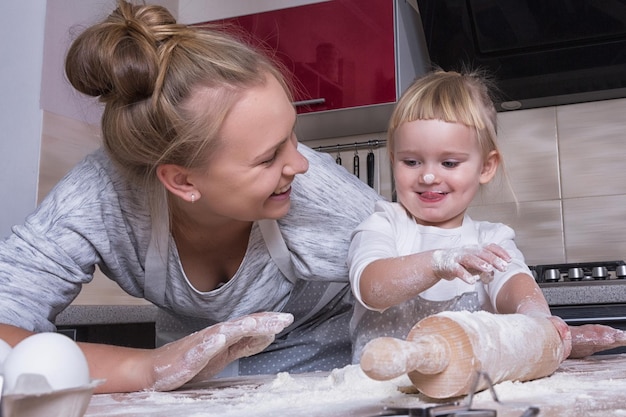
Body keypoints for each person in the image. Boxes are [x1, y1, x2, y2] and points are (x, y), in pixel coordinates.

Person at [0, 0, 381, 393]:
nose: (299, 164)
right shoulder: (98, 196)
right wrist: (145, 369)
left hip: (321, 367)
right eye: (268, 157)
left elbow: (430, 270)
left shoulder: (316, 192)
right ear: (182, 182)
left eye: (292, 136)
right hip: (188, 377)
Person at [347, 69, 620, 362]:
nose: (427, 175)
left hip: (469, 398)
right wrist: (439, 262)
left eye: (449, 163)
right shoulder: (383, 224)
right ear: (393, 160)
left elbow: (514, 283)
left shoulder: (490, 238)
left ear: (486, 167)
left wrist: (538, 320)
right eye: (411, 161)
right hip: (378, 398)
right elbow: (372, 287)